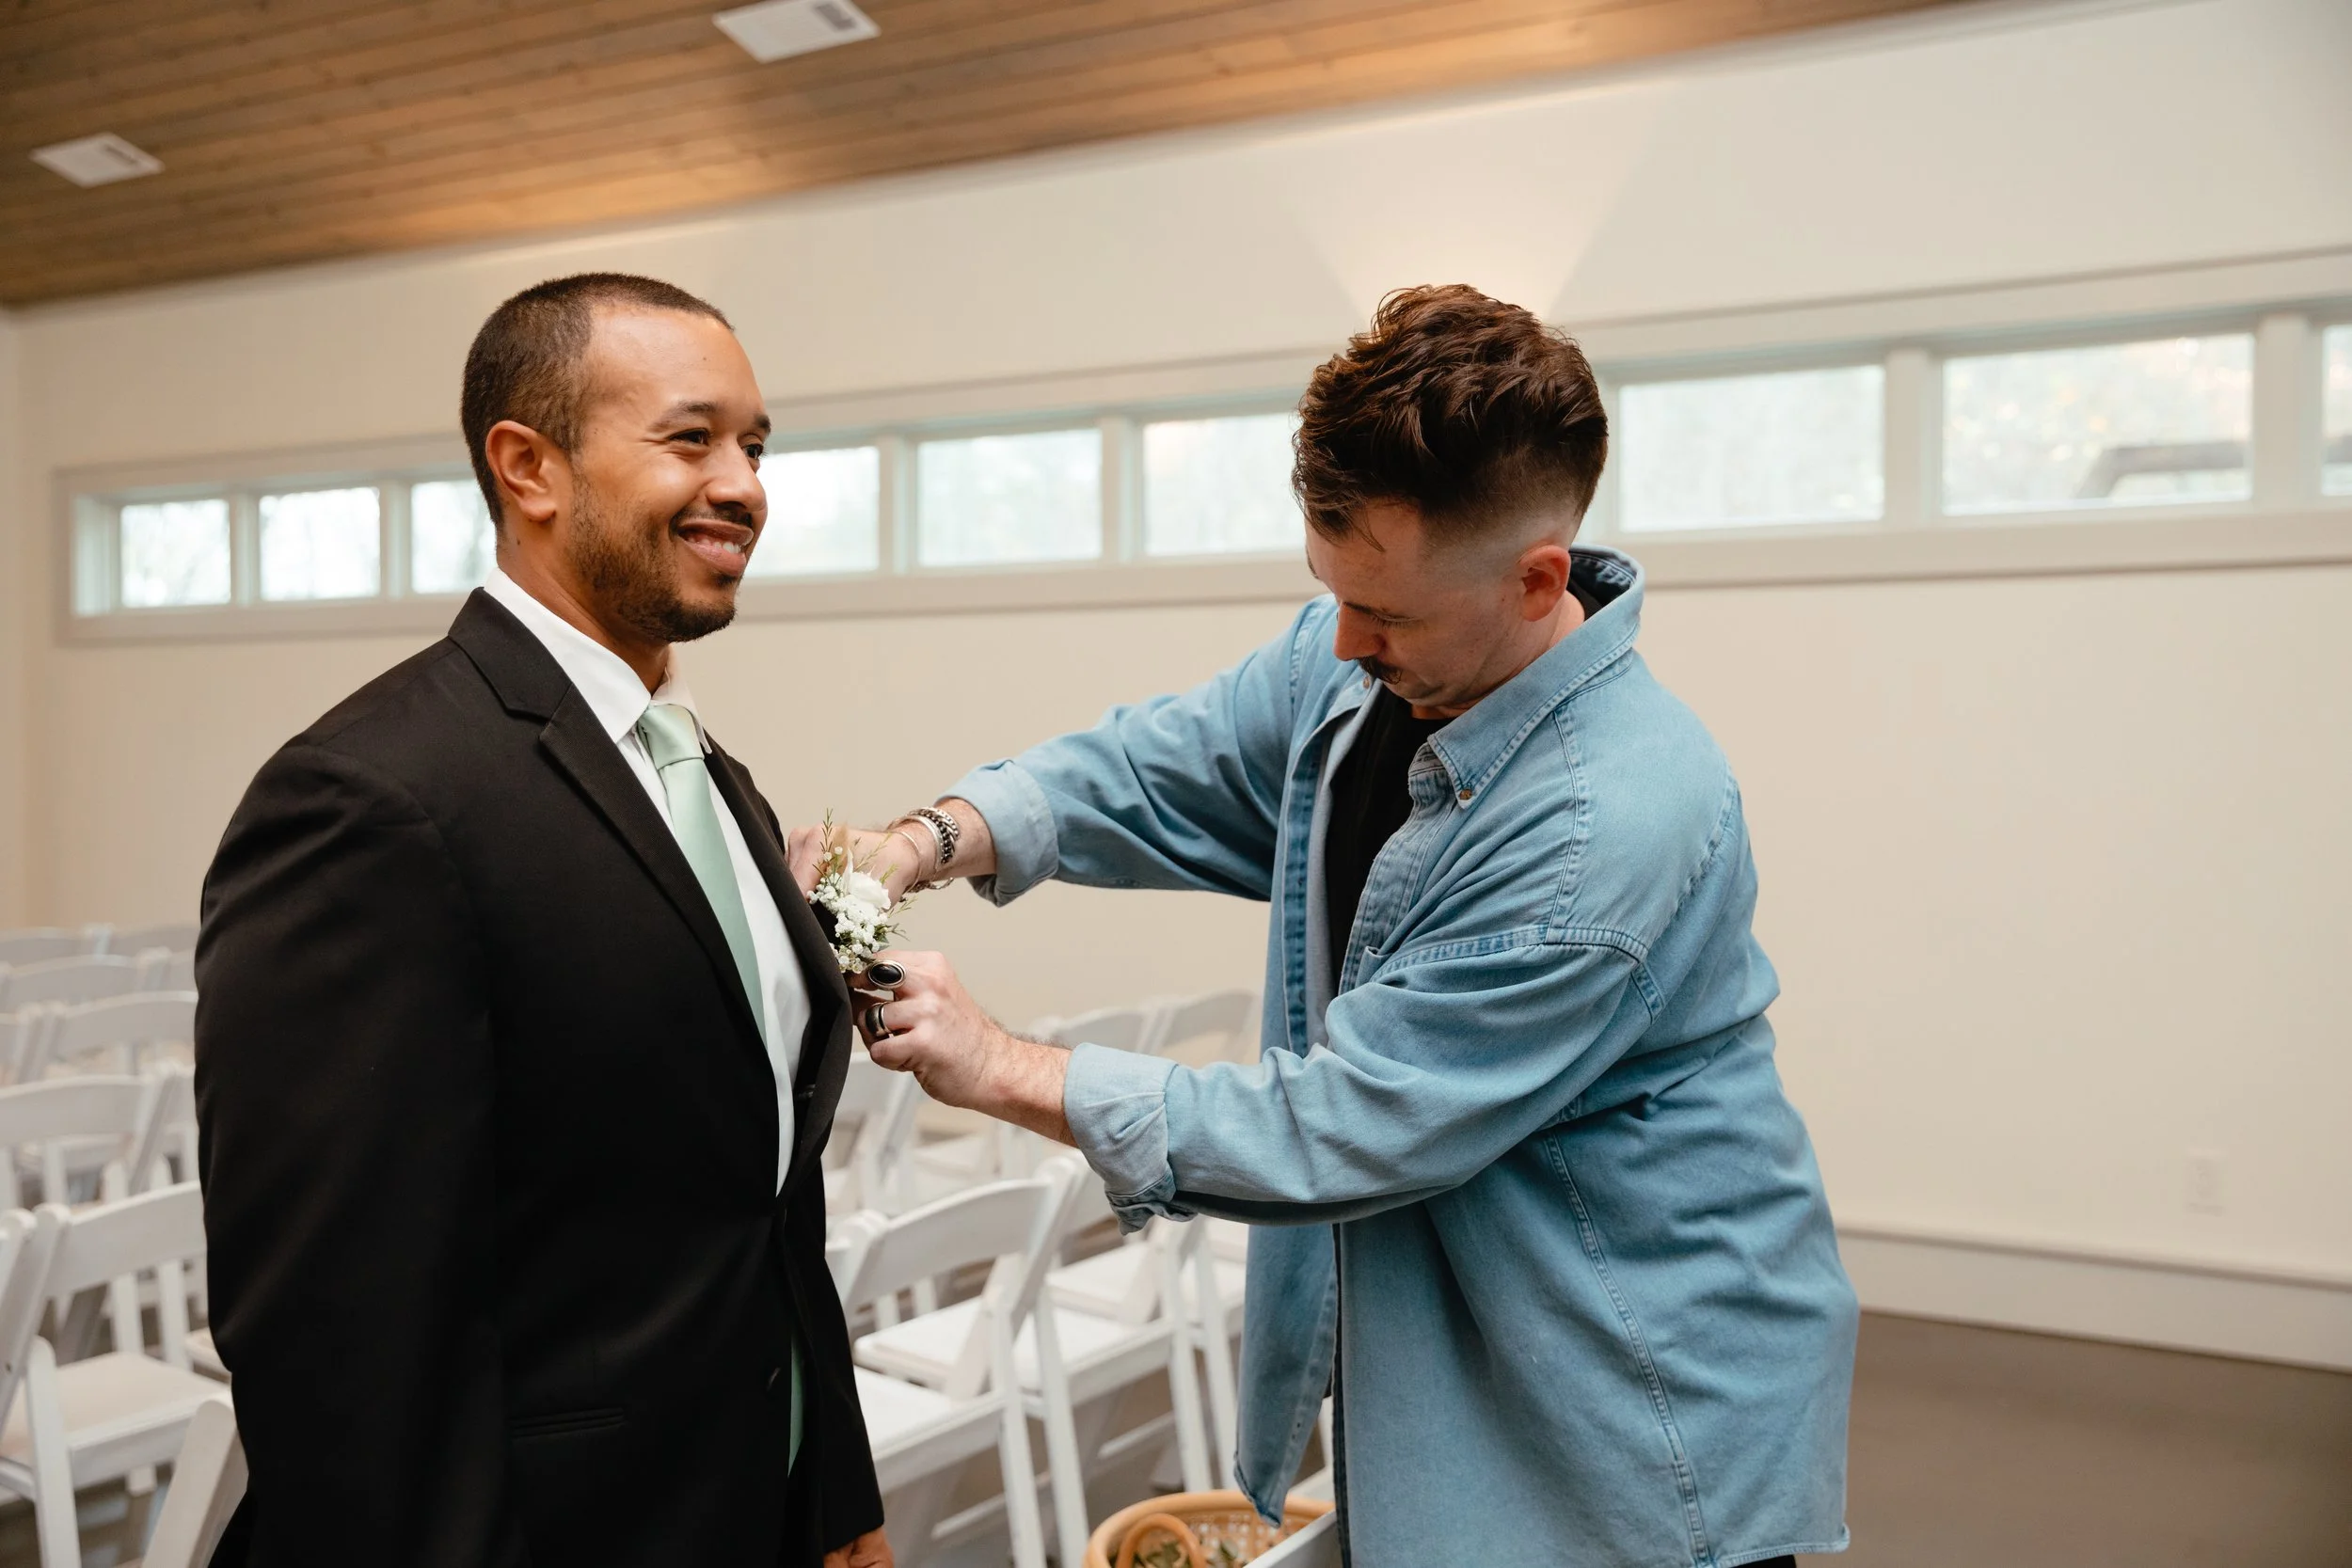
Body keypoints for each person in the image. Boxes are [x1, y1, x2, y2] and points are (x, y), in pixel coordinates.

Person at [820, 286, 1857, 1567]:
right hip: (1459, 1337)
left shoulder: (1606, 822)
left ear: (1541, 580)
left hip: (1631, 1392)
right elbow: (1157, 767)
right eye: (1335, 594)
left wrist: (1001, 1065)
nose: (1346, 640)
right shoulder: (1362, 652)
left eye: (1392, 615)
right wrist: (922, 839)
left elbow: (1342, 1124)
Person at [196, 274, 891, 1568]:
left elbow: (765, 1209)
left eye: (754, 444)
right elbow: (335, 1333)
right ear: (530, 467)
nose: (742, 484)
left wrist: (836, 1495)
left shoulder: (703, 773)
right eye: (692, 438)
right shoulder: (369, 797)